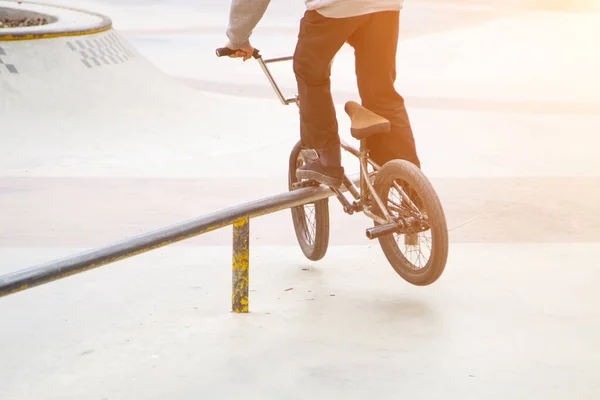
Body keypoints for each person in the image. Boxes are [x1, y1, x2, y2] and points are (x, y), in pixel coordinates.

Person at [224, 0, 421, 188]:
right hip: (384, 7)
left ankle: (326, 158)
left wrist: (237, 38)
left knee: (309, 72)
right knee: (381, 91)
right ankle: (411, 189)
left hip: (334, 7)